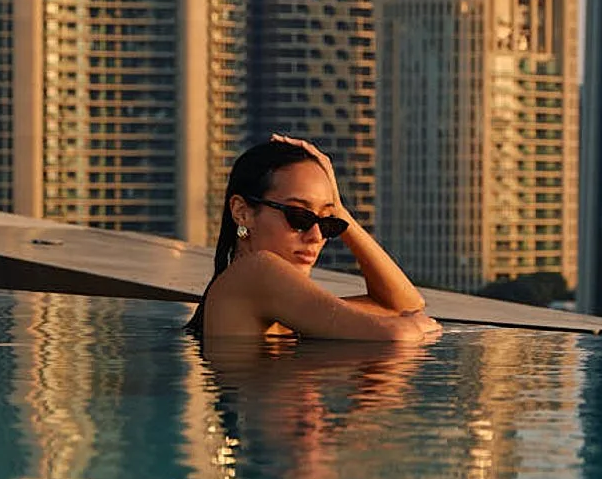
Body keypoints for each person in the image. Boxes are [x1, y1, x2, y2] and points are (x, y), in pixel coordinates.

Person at [188, 134, 442, 344]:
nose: (316, 237)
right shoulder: (256, 271)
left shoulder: (274, 302)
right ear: (242, 212)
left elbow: (404, 305)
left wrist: (339, 210)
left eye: (327, 222)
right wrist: (414, 325)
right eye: (299, 217)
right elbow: (396, 334)